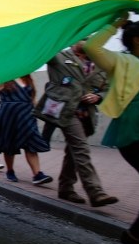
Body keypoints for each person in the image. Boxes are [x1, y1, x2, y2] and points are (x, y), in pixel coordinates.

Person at [84, 15, 139, 244]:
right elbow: (91, 47)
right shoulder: (123, 62)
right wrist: (116, 22)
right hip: (137, 137)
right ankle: (135, 235)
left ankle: (135, 235)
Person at [36, 38, 118, 207]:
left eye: (91, 38)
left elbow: (108, 90)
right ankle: (95, 192)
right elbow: (39, 50)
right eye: (84, 37)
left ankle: (65, 188)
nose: (88, 40)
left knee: (73, 152)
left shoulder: (100, 64)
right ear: (75, 39)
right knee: (81, 149)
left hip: (87, 115)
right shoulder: (59, 57)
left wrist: (98, 97)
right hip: (66, 112)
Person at [0, 76, 53, 185]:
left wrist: (39, 112)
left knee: (31, 143)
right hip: (9, 116)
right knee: (9, 145)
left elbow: (32, 99)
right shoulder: (3, 77)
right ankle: (10, 171)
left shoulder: (28, 78)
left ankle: (37, 174)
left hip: (27, 115)